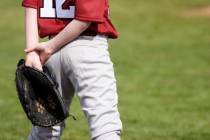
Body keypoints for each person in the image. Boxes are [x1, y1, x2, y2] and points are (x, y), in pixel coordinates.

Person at [22, 0, 122, 140]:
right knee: (104, 127)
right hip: (87, 47)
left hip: (49, 54)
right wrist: (50, 47)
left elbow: (31, 5)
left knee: (45, 129)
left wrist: (31, 50)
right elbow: (85, 18)